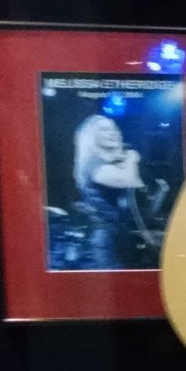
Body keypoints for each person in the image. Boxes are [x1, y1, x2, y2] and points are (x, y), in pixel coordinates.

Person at [71, 113, 149, 269]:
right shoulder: (92, 163)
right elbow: (129, 180)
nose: (113, 133)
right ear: (92, 137)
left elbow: (139, 186)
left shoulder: (109, 163)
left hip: (119, 237)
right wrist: (131, 158)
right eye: (105, 130)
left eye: (115, 129)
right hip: (108, 241)